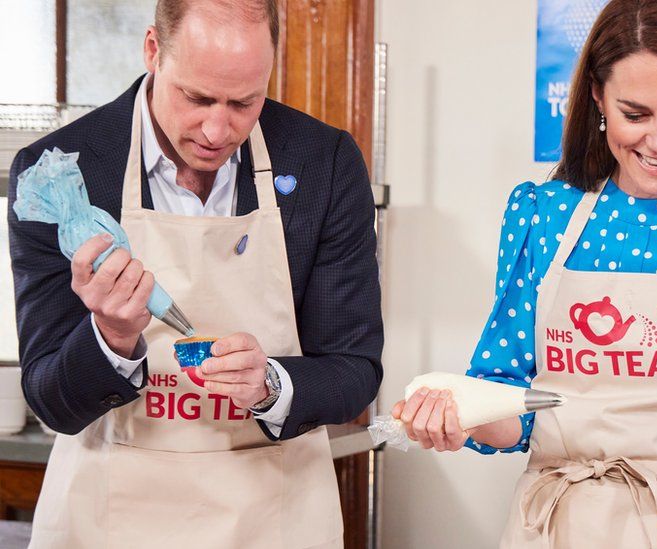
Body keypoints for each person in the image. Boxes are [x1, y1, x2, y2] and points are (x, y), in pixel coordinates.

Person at [392, 0, 657, 547]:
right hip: (542, 527)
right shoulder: (541, 215)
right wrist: (457, 417)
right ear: (598, 95)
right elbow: (508, 400)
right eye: (636, 114)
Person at [7, 1, 382, 547]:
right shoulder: (63, 174)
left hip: (272, 520)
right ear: (153, 51)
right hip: (111, 521)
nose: (216, 128)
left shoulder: (322, 163)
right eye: (198, 97)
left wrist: (271, 384)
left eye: (244, 102)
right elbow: (50, 400)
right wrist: (110, 337)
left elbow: (355, 369)